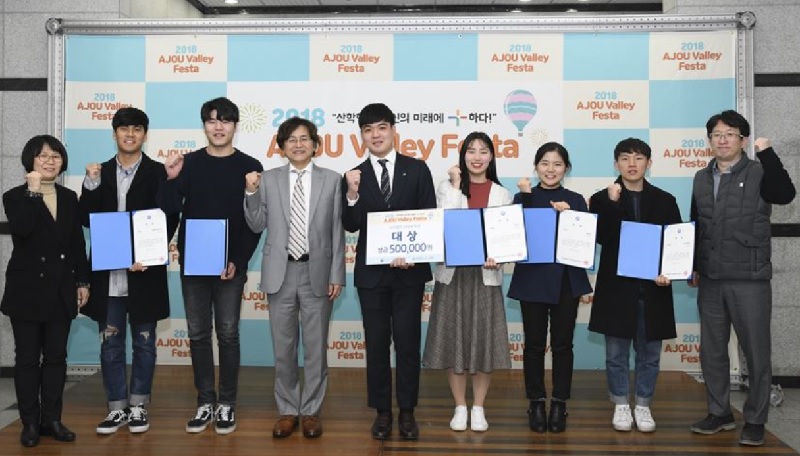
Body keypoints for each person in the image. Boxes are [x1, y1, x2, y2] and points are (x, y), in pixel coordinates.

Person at [688, 110, 795, 446]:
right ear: (709, 141)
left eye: (730, 134)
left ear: (743, 140)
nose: (723, 140)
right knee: (712, 352)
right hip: (711, 277)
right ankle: (719, 413)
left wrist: (768, 153)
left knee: (756, 351)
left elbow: (785, 194)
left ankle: (755, 419)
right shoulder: (700, 177)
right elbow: (697, 223)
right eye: (716, 135)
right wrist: (692, 265)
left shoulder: (761, 172)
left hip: (749, 277)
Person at [158, 97, 263, 435]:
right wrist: (170, 178)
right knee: (198, 334)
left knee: (228, 334)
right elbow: (169, 210)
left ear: (235, 126)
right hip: (195, 265)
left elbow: (254, 223)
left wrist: (238, 260)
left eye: (225, 121)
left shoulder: (250, 166)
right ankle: (205, 401)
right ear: (204, 125)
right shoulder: (188, 163)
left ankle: (227, 403)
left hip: (231, 266)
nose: (219, 127)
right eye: (212, 120)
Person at [243, 117, 345, 439]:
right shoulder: (268, 179)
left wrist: (337, 274)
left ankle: (311, 410)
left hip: (318, 272)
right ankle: (287, 410)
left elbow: (337, 231)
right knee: (283, 348)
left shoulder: (333, 180)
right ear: (281, 147)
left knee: (316, 349)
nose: (298, 145)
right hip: (281, 273)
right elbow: (256, 224)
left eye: (304, 139)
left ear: (315, 144)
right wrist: (251, 192)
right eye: (291, 140)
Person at [79, 107, 179, 435]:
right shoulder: (100, 172)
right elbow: (86, 218)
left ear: (145, 135)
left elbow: (169, 217)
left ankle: (138, 406)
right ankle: (116, 408)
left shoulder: (159, 172)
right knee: (110, 343)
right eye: (124, 129)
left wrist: (145, 253)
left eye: (137, 128)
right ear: (114, 134)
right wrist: (91, 184)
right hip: (108, 275)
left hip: (144, 273)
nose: (130, 134)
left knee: (145, 343)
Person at [342, 103, 436, 440]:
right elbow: (351, 225)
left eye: (381, 127)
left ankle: (407, 411)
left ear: (394, 130)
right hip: (372, 276)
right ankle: (382, 411)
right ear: (362, 136)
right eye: (368, 130)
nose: (375, 135)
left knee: (408, 344)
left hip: (409, 274)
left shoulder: (417, 168)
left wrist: (412, 253)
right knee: (377, 345)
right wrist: (351, 194)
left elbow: (428, 216)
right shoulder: (354, 175)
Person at [588, 137, 682, 433]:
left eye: (638, 158)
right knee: (615, 354)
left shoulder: (666, 200)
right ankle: (620, 404)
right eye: (625, 158)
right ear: (616, 164)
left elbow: (675, 243)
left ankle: (643, 404)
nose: (632, 164)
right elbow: (602, 237)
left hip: (654, 288)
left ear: (649, 163)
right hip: (617, 289)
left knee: (650, 354)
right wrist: (613, 204)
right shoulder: (601, 199)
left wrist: (669, 270)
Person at [1, 135, 90, 447]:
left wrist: (82, 281)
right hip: (27, 291)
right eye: (42, 156)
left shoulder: (69, 197)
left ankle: (52, 419)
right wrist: (33, 192)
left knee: (56, 358)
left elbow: (76, 243)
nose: (50, 161)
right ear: (31, 161)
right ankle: (29, 422)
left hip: (61, 290)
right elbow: (23, 229)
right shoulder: (15, 196)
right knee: (27, 359)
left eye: (55, 156)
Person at [423, 131, 511, 433]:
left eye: (483, 151)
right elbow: (445, 223)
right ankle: (460, 405)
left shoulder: (502, 194)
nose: (477, 157)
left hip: (486, 276)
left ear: (491, 157)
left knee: (483, 343)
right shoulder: (447, 187)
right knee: (453, 341)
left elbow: (506, 237)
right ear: (463, 156)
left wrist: (499, 256)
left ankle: (479, 407)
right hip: (453, 275)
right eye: (471, 151)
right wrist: (456, 184)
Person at [507, 142, 592, 433]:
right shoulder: (523, 196)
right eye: (544, 163)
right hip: (532, 279)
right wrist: (527, 197)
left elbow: (585, 242)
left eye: (557, 164)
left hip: (566, 282)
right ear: (536, 167)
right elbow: (513, 236)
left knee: (563, 345)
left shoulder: (576, 200)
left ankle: (559, 403)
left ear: (566, 168)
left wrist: (571, 217)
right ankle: (535, 402)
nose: (550, 169)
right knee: (533, 345)